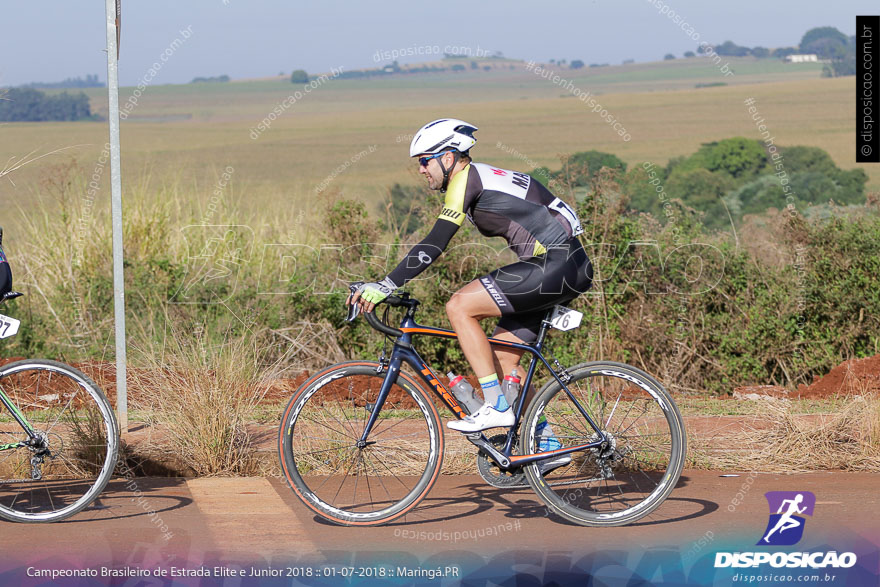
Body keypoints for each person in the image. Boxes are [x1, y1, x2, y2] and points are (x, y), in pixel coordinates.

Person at [350, 119, 592, 466]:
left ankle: (494, 406)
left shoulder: (467, 180)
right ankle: (548, 444)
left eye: (424, 160)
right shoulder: (480, 176)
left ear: (448, 158)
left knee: (460, 306)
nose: (421, 170)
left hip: (557, 263)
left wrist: (386, 284)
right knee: (503, 360)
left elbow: (435, 242)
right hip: (564, 264)